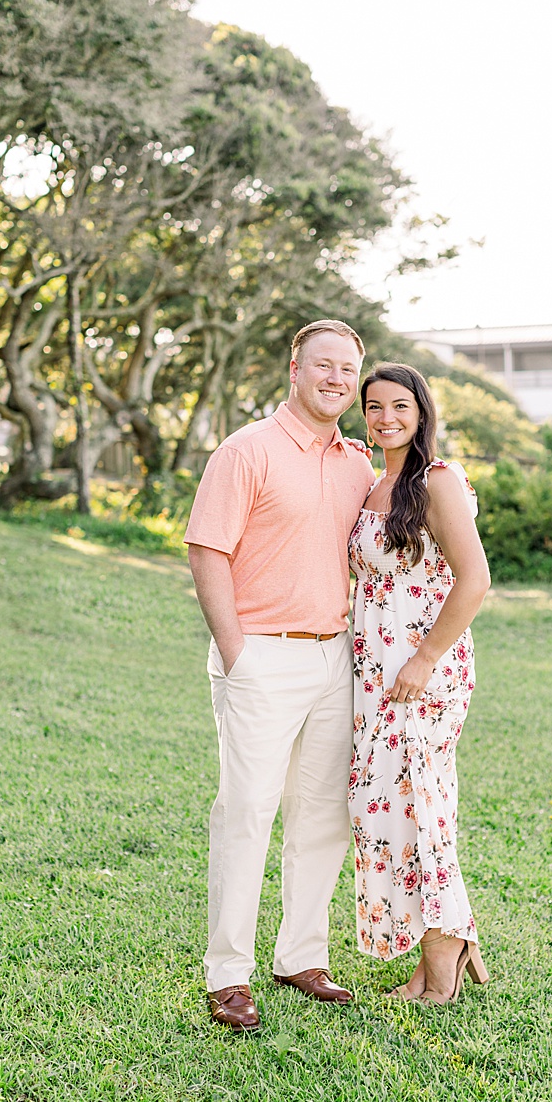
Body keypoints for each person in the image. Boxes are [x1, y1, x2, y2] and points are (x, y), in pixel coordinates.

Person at [184, 320, 376, 1032]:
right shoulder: (246, 451)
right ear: (294, 367)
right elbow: (207, 552)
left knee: (321, 816)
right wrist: (237, 654)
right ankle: (227, 976)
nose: (336, 379)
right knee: (247, 813)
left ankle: (301, 956)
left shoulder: (357, 461)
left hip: (336, 658)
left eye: (347, 370)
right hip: (261, 654)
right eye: (323, 365)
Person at [349, 362, 492, 1003]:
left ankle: (444, 961)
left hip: (421, 671)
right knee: (384, 807)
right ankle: (445, 939)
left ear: (422, 410)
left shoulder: (437, 481)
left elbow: (475, 578)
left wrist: (424, 658)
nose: (386, 418)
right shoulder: (377, 483)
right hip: (374, 669)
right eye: (374, 407)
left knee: (418, 806)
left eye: (398, 406)